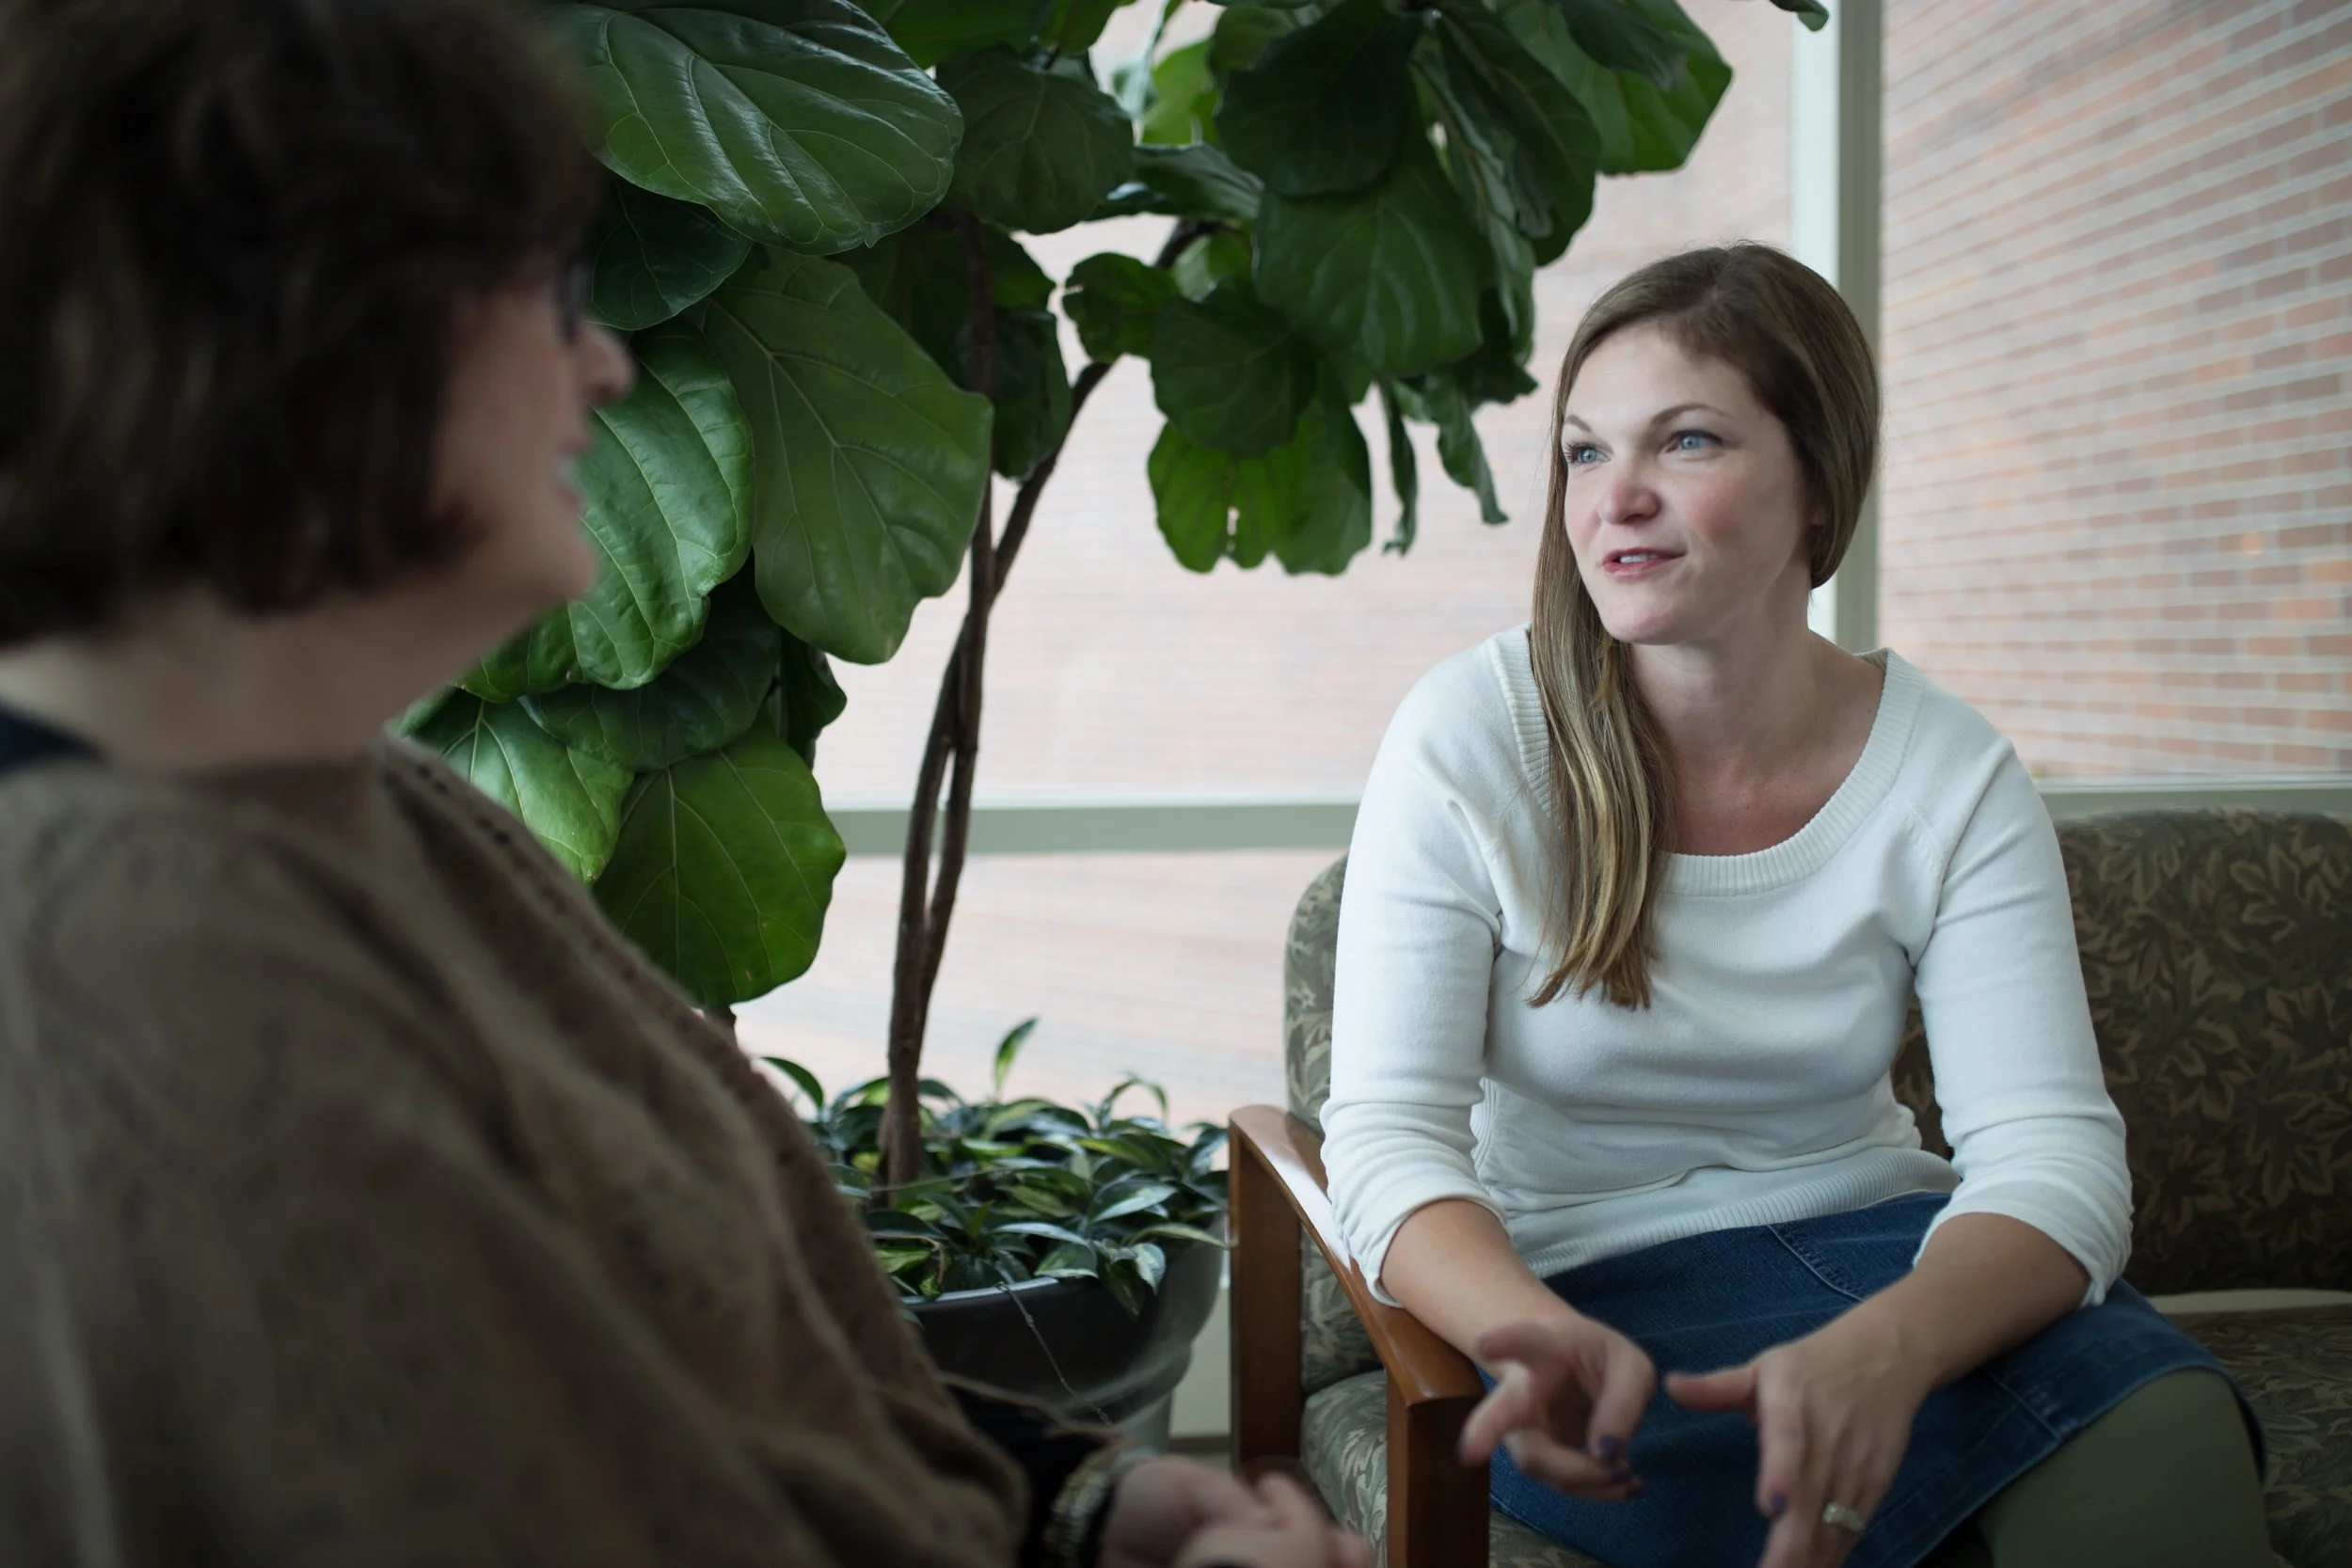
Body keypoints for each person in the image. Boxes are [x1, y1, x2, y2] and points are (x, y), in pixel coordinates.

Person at [0, 3, 1365, 1566]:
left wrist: (1078, 1504)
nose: (603, 362)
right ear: (315, 322)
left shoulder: (360, 804)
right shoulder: (132, 969)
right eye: (544, 287)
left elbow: (700, 1348)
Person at [1319, 245, 2272, 1568]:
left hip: (1894, 1256)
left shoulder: (1950, 772)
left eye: (1688, 440)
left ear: (1820, 481)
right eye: (1586, 453)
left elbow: (2055, 1158)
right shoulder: (1470, 736)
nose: (1618, 500)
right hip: (1592, 1289)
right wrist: (1517, 1329)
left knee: (2161, 1442)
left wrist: (1892, 1343)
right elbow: (1386, 1138)